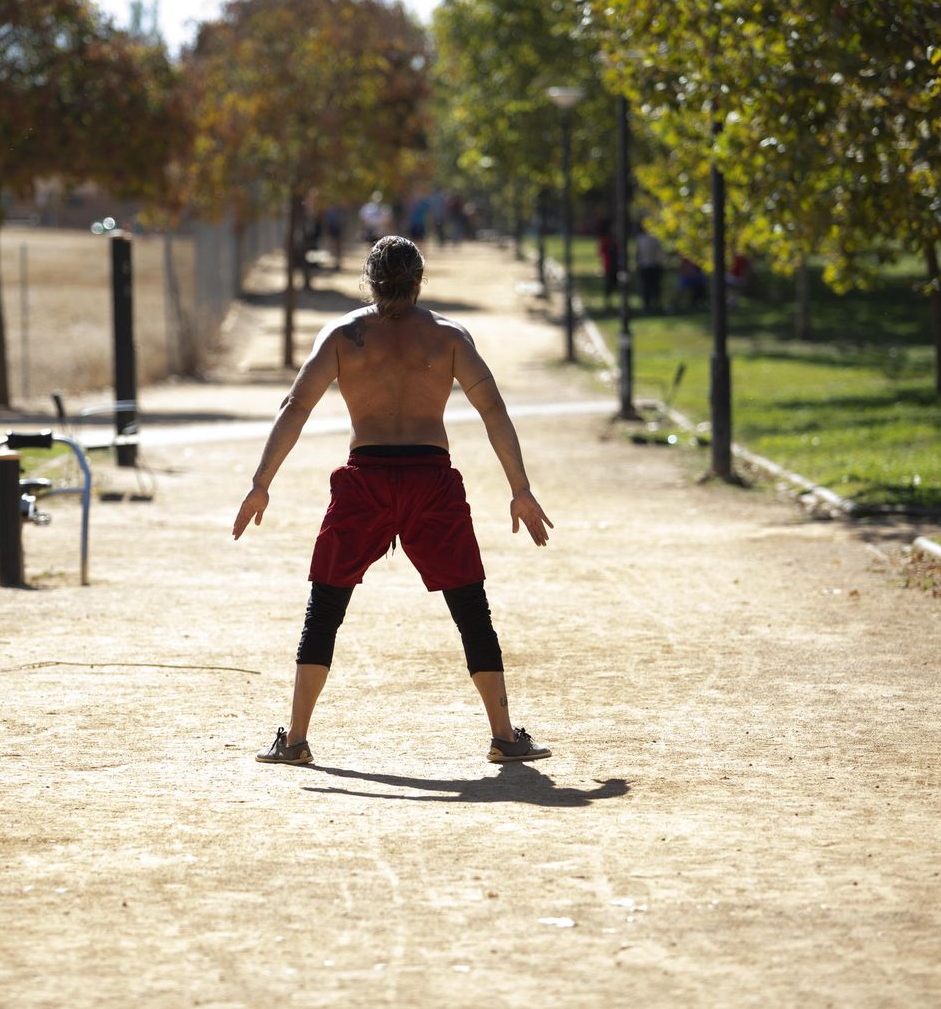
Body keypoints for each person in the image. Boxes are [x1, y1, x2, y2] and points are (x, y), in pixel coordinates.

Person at [232, 235, 554, 767]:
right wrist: (519, 489)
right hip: (431, 480)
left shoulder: (343, 335)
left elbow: (296, 406)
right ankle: (504, 736)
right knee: (471, 607)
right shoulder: (449, 337)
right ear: (419, 279)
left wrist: (261, 480)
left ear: (370, 279)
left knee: (325, 607)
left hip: (366, 482)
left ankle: (293, 740)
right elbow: (492, 409)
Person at [634, 226, 665, 314]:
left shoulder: (640, 239)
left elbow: (637, 253)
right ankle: (654, 305)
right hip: (653, 265)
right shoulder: (655, 238)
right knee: (654, 286)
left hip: (645, 265)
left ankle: (648, 305)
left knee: (646, 286)